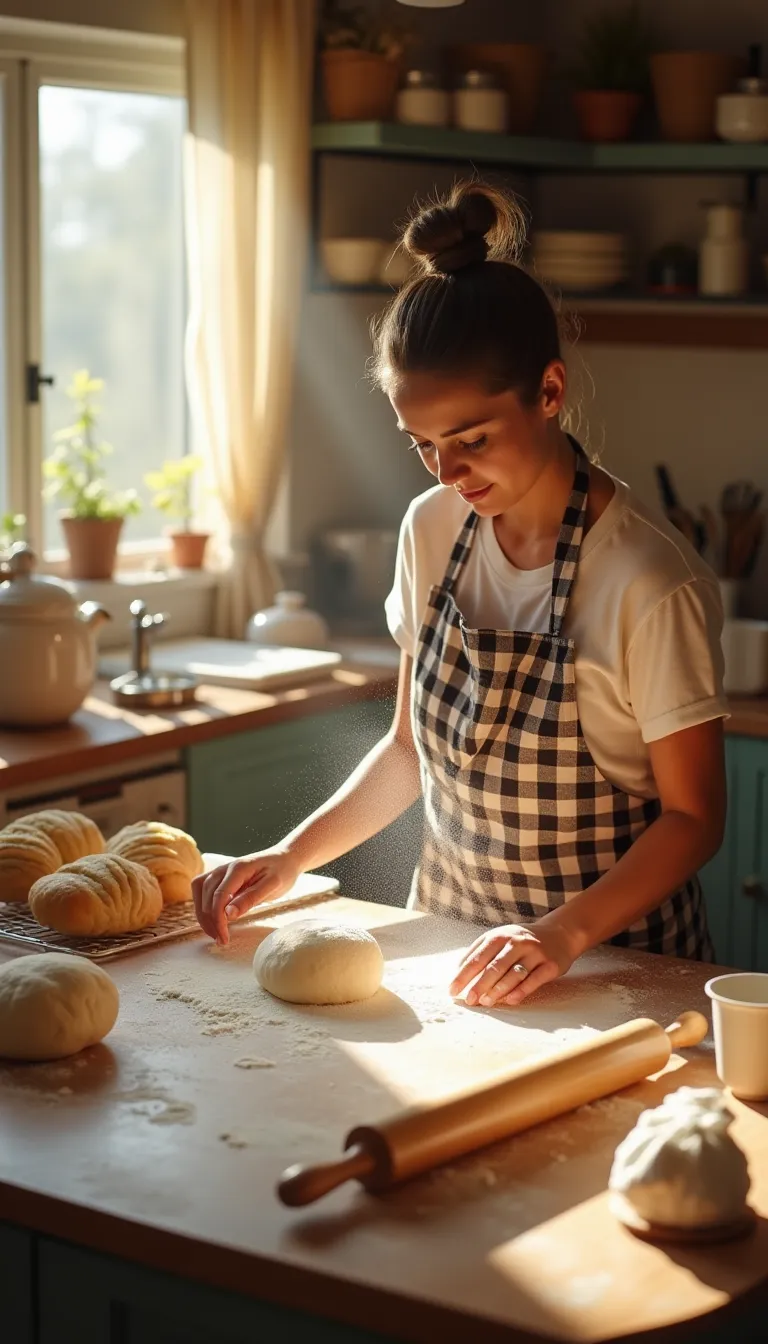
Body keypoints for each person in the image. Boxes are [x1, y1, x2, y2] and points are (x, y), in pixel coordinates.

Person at [193, 180, 728, 1008]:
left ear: (549, 393)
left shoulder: (646, 580)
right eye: (423, 445)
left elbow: (695, 820)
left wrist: (560, 933)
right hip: (454, 954)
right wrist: (290, 857)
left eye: (472, 440)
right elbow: (410, 750)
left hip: (615, 970)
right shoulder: (432, 529)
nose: (448, 473)